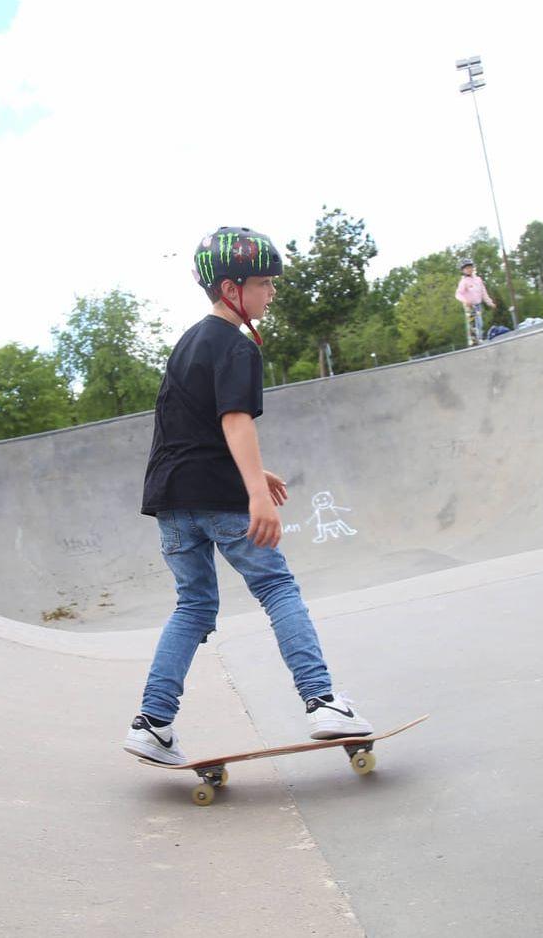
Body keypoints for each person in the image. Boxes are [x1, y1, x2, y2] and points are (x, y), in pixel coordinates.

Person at [123, 226, 374, 765]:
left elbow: (191, 427)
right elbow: (234, 419)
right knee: (277, 588)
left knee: (193, 606)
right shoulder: (237, 345)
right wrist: (254, 495)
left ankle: (153, 722)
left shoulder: (188, 341)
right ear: (232, 288)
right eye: (263, 283)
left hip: (171, 499)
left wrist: (261, 473)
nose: (272, 292)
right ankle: (323, 702)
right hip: (219, 499)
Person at [455, 258, 497, 346]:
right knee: (473, 322)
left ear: (473, 268)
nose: (469, 270)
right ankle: (474, 340)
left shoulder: (478, 279)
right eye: (466, 268)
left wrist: (489, 302)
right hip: (469, 305)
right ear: (463, 271)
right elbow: (458, 294)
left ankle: (478, 338)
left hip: (478, 304)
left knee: (479, 323)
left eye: (470, 267)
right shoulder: (463, 282)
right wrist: (465, 301)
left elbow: (483, 292)